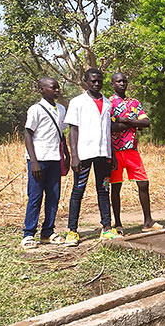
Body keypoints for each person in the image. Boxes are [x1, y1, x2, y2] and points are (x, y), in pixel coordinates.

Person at [64, 68, 121, 246]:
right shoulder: (77, 102)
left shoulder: (107, 102)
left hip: (103, 154)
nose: (96, 84)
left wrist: (111, 153)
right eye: (92, 81)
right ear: (85, 82)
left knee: (104, 190)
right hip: (84, 154)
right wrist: (74, 156)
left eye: (99, 81)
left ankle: (106, 228)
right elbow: (73, 130)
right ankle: (72, 231)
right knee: (78, 191)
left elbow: (107, 130)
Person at [108, 72, 162, 234]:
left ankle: (148, 221)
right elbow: (109, 127)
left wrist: (124, 121)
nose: (122, 84)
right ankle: (117, 224)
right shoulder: (108, 103)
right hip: (115, 151)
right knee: (115, 187)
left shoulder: (134, 102)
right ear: (112, 84)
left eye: (124, 81)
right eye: (118, 81)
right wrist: (133, 124)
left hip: (132, 150)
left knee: (143, 183)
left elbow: (146, 122)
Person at [21, 77, 70, 248]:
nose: (57, 90)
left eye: (58, 87)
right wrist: (33, 160)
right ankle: (28, 234)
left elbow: (61, 134)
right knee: (35, 196)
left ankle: (48, 231)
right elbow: (28, 134)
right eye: (53, 88)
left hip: (55, 159)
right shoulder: (36, 109)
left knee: (53, 196)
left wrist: (66, 154)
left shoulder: (62, 109)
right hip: (38, 159)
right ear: (41, 90)